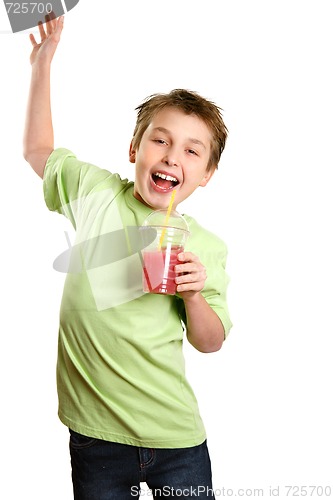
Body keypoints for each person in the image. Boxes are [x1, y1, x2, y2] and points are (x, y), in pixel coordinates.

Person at [24, 15, 232, 500]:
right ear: (135, 148)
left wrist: (195, 295)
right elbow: (37, 150)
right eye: (160, 140)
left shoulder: (203, 246)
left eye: (192, 151)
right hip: (95, 435)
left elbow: (210, 342)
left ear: (205, 175)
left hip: (175, 438)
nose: (171, 156)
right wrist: (41, 65)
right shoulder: (95, 192)